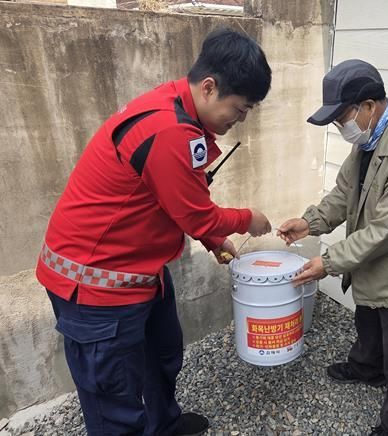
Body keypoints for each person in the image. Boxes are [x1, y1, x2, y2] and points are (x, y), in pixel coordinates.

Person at [36, 28, 272, 436]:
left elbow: (175, 200)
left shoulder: (178, 108)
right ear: (209, 87)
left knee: (161, 356)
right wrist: (248, 218)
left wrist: (213, 239)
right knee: (114, 398)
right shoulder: (168, 130)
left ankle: (163, 424)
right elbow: (197, 215)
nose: (241, 119)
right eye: (240, 108)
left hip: (139, 271)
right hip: (95, 285)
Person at [277, 59, 388, 436]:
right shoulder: (369, 142)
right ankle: (366, 368)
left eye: (341, 118)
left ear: (369, 106)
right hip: (379, 266)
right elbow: (344, 193)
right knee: (370, 323)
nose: (340, 127)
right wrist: (310, 222)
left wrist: (328, 262)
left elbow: (384, 232)